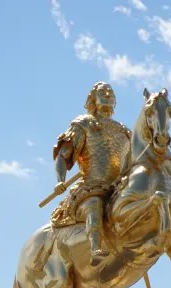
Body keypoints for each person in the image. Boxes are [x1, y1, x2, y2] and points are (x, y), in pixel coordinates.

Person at [51, 82, 132, 266]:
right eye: (102, 92)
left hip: (119, 189)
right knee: (94, 203)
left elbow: (132, 164)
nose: (108, 95)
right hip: (91, 187)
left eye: (111, 93)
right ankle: (95, 247)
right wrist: (60, 181)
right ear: (93, 99)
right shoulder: (83, 123)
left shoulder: (125, 131)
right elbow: (63, 155)